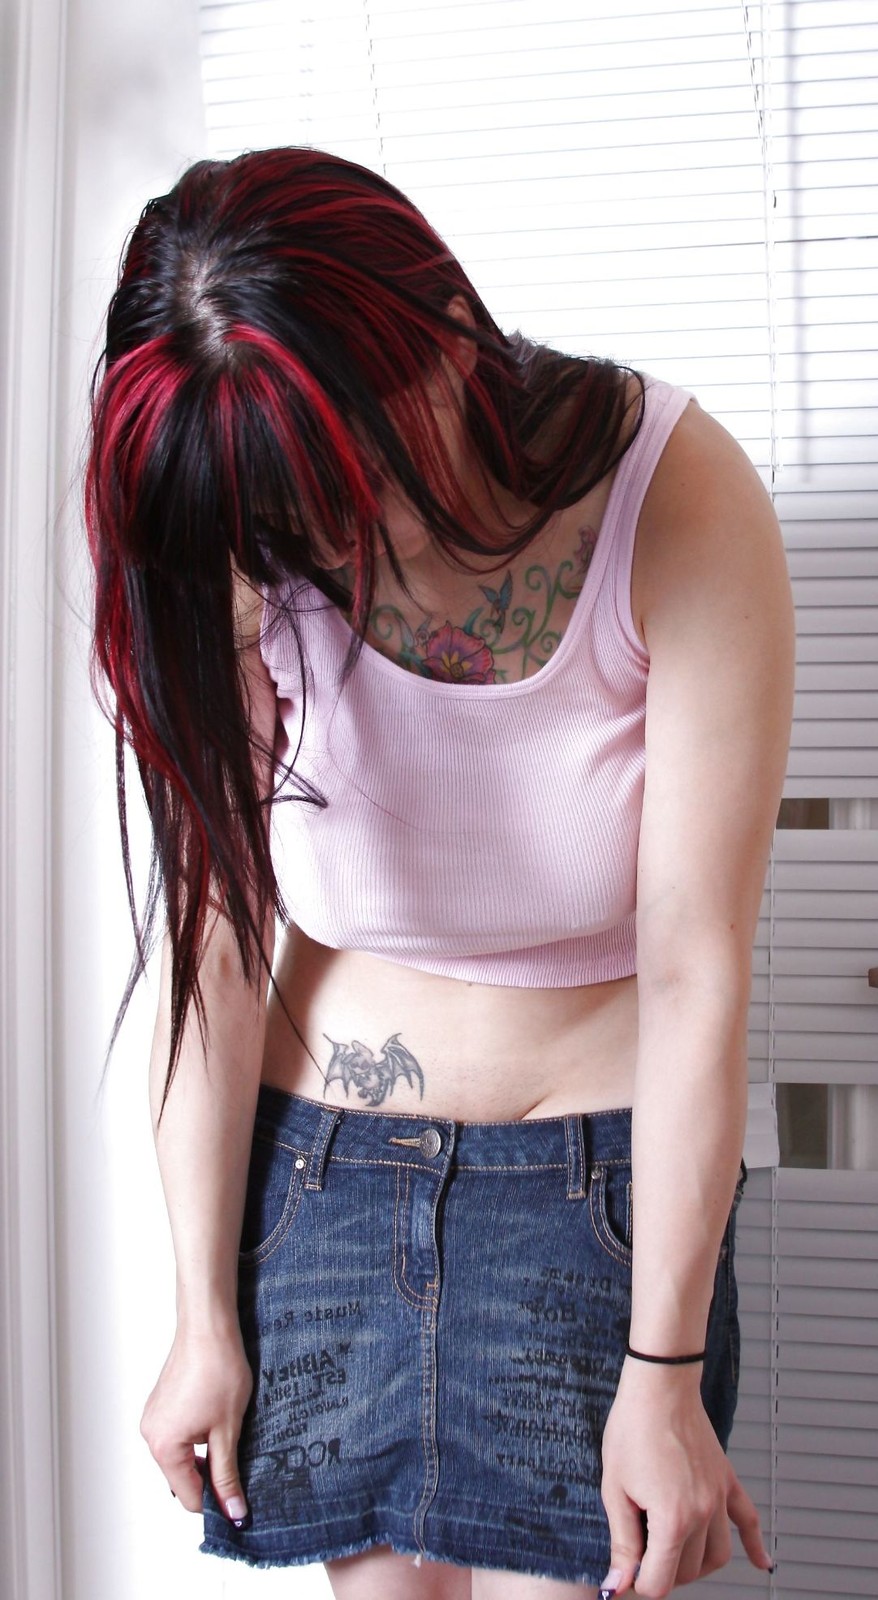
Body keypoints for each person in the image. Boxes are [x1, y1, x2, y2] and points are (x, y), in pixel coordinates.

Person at [85, 146, 793, 1600]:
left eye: (349, 489)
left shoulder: (671, 492)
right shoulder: (244, 532)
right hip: (323, 1177)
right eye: (286, 521)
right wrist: (199, 1311)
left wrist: (664, 1371)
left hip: (593, 1194)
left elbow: (697, 963)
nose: (326, 549)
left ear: (446, 332)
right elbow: (212, 943)